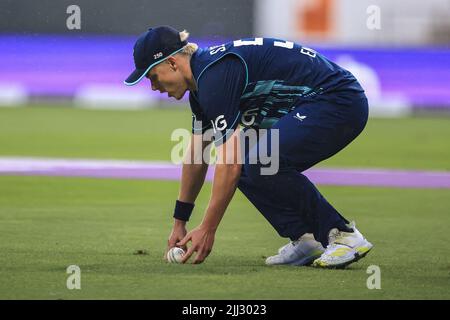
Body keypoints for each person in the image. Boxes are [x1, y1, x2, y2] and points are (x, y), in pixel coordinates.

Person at [124, 26, 373, 268]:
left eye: (152, 76)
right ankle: (305, 238)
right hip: (322, 101)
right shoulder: (203, 83)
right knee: (253, 159)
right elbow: (197, 156)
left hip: (338, 101)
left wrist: (208, 228)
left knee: (261, 158)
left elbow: (229, 165)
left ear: (172, 63)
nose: (154, 87)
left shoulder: (213, 77)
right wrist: (180, 221)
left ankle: (342, 234)